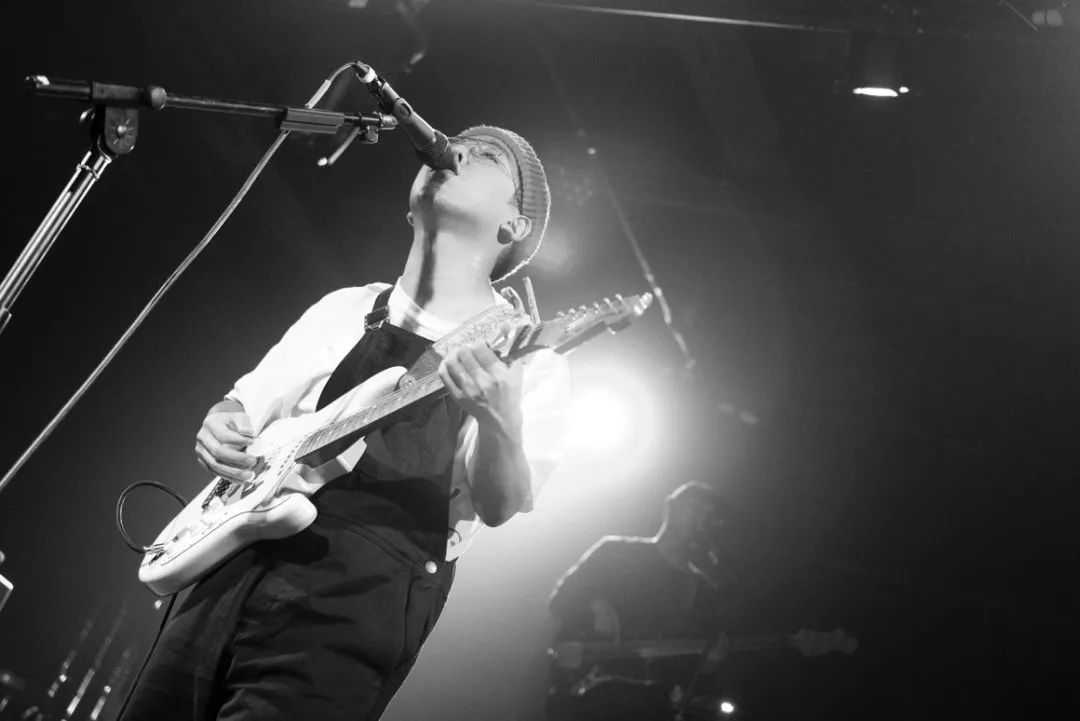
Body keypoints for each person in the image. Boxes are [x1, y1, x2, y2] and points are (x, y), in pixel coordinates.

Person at [118, 125, 571, 721]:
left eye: (487, 156)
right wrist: (220, 423)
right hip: (227, 568)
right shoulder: (347, 306)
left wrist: (500, 421)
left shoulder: (526, 356)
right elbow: (240, 408)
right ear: (410, 210)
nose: (453, 149)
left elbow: (500, 504)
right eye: (456, 141)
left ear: (514, 226)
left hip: (354, 601)